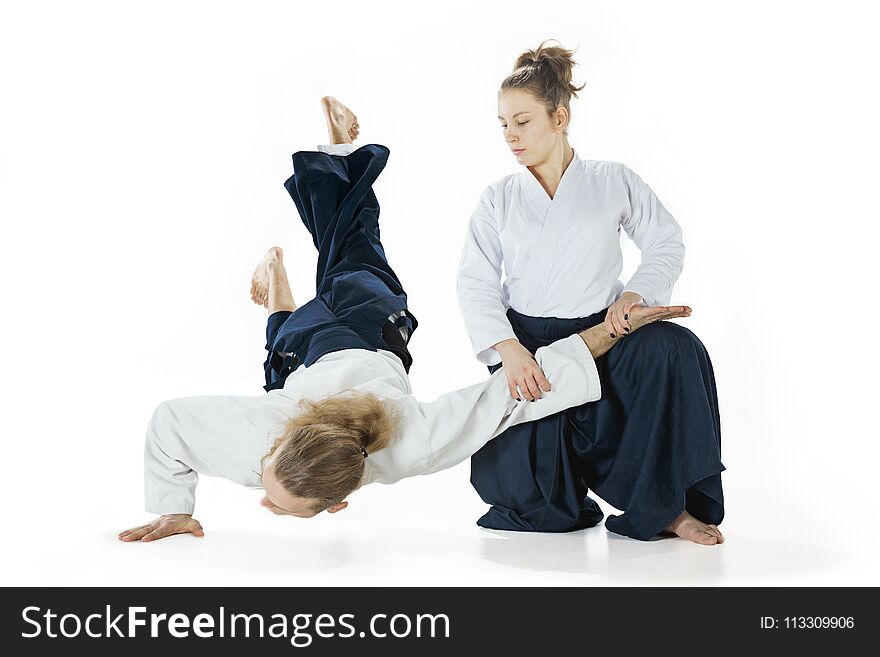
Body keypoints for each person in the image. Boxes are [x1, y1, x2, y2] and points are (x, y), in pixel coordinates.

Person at [118, 96, 693, 544]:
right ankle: (325, 191)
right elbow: (510, 397)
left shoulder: (272, 438)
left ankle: (330, 183)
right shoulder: (383, 441)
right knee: (325, 285)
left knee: (329, 282)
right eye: (276, 500)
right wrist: (174, 510)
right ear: (340, 500)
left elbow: (171, 423)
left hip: (339, 334)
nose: (261, 498)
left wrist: (174, 506)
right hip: (347, 332)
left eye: (266, 488)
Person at [457, 41, 726, 545]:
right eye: (503, 124)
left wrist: (636, 297)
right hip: (531, 348)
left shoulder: (611, 180)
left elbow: (665, 240)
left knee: (675, 349)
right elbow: (475, 280)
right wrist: (508, 350)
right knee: (535, 503)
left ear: (559, 118)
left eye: (522, 121)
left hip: (608, 334)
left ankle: (666, 508)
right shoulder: (498, 198)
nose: (510, 136)